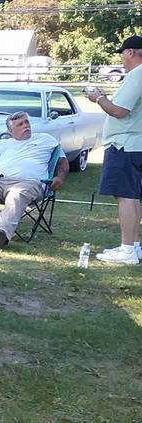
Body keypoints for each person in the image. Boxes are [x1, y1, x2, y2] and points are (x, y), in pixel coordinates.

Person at [0, 111, 68, 248]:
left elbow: (63, 162)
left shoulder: (45, 139)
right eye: (20, 124)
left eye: (27, 122)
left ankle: (2, 232)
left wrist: (59, 177)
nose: (26, 126)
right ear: (11, 130)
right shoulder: (1, 144)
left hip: (31, 183)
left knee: (16, 195)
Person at [87, 35, 142, 265]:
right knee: (134, 196)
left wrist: (98, 97)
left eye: (123, 53)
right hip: (135, 144)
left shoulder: (137, 75)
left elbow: (119, 111)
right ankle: (135, 246)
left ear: (130, 52)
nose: (122, 58)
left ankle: (127, 249)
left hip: (125, 145)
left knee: (126, 197)